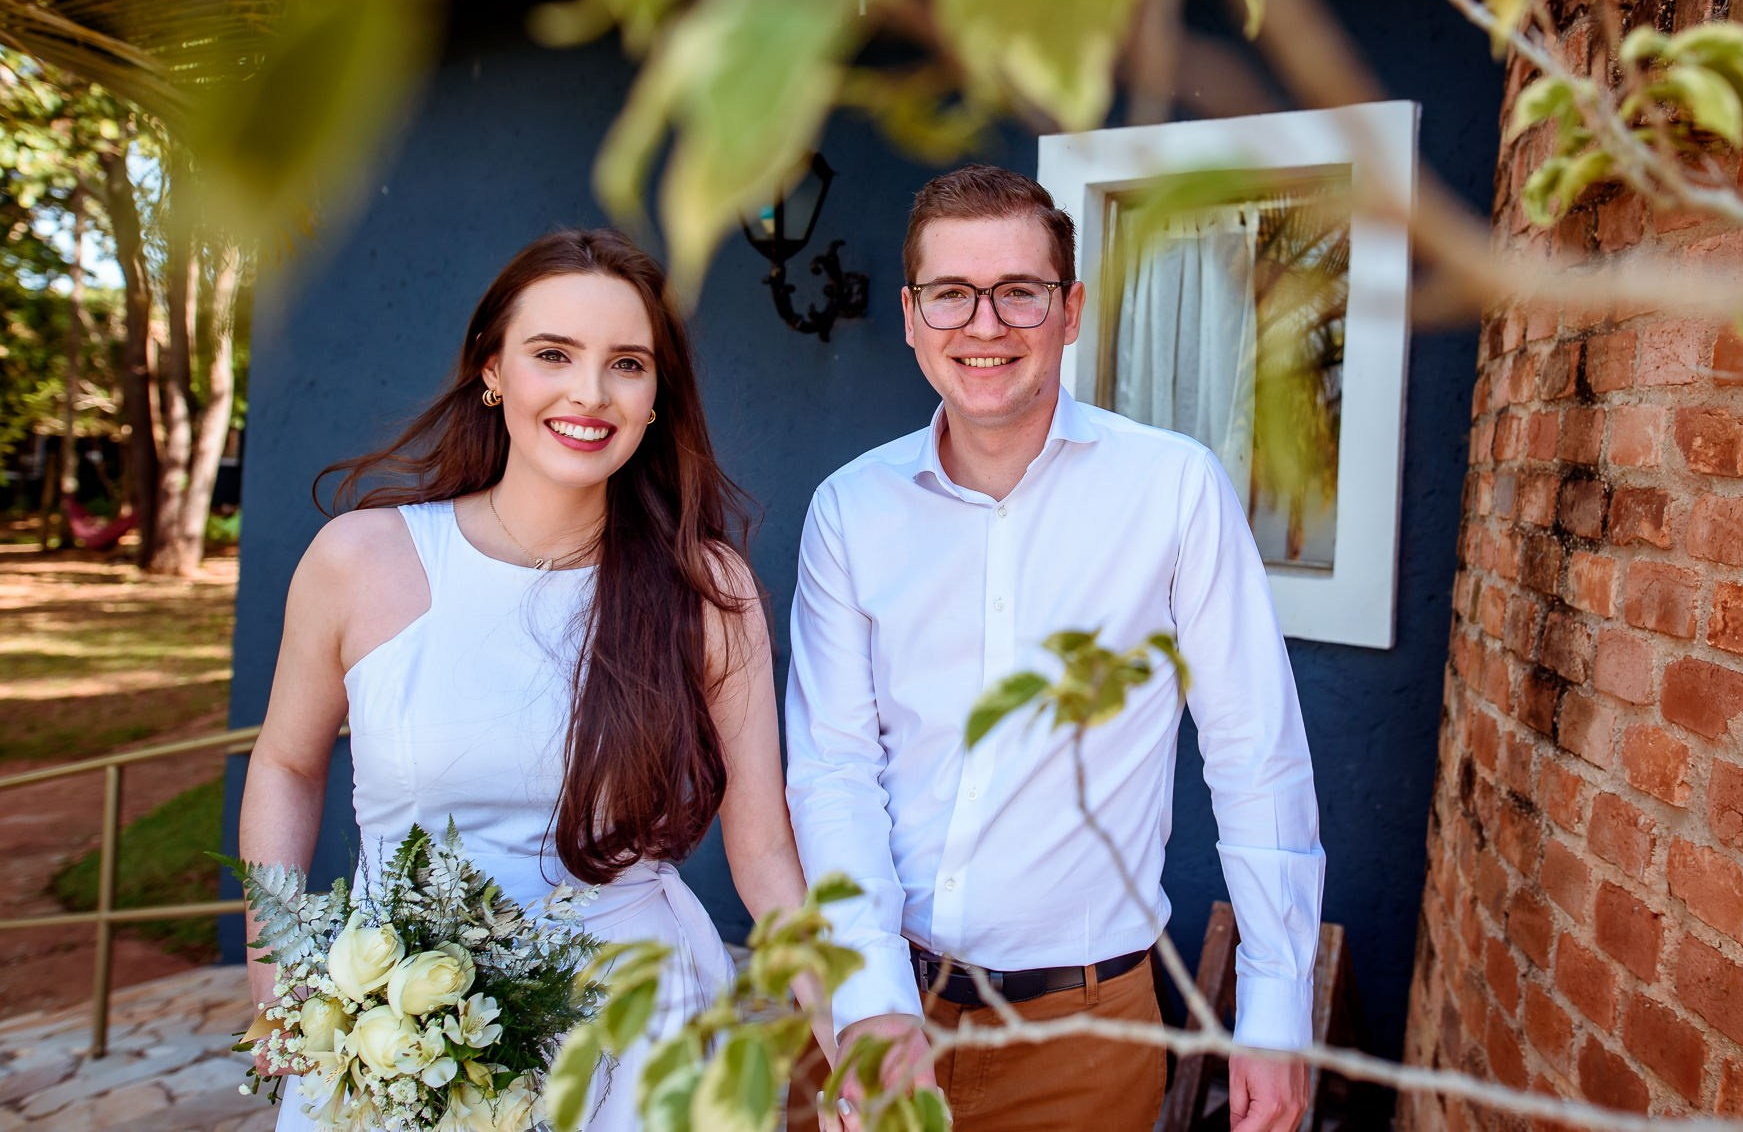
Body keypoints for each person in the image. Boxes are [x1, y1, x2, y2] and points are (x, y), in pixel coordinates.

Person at [241, 230, 822, 1129]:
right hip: (399, 1035)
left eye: (627, 363)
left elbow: (764, 851)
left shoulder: (707, 589)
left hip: (636, 1040)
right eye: (553, 353)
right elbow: (285, 764)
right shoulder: (360, 560)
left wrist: (847, 1028)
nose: (590, 392)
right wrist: (278, 980)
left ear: (657, 396)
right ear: (493, 368)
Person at [785, 165, 1326, 1132]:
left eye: (1019, 292)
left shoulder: (1175, 490)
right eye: (951, 293)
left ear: (1070, 310)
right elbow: (833, 769)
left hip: (1085, 1039)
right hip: (875, 1007)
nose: (983, 324)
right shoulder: (848, 511)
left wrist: (1276, 1010)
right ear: (910, 316)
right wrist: (868, 996)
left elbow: (1256, 753)